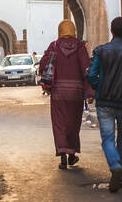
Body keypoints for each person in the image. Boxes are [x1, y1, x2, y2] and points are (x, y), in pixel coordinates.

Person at [88, 16, 122, 192]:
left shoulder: (101, 51)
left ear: (111, 31)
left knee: (108, 138)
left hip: (105, 101)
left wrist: (100, 87)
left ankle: (115, 165)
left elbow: (91, 75)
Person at [39, 20, 92, 169]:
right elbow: (86, 69)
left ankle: (62, 154)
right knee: (73, 123)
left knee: (59, 123)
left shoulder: (54, 46)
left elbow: (43, 64)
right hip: (76, 92)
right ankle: (72, 154)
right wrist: (89, 91)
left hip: (58, 92)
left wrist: (46, 81)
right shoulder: (80, 46)